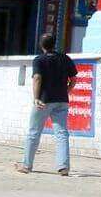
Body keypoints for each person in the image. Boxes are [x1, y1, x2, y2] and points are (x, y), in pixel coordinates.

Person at [16, 33, 77, 176]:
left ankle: (26, 165)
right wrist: (65, 91)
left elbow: (37, 78)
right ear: (54, 44)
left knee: (34, 132)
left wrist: (36, 97)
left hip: (43, 100)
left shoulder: (39, 60)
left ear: (41, 45)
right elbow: (73, 79)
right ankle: (63, 167)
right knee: (62, 133)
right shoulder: (65, 58)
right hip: (61, 100)